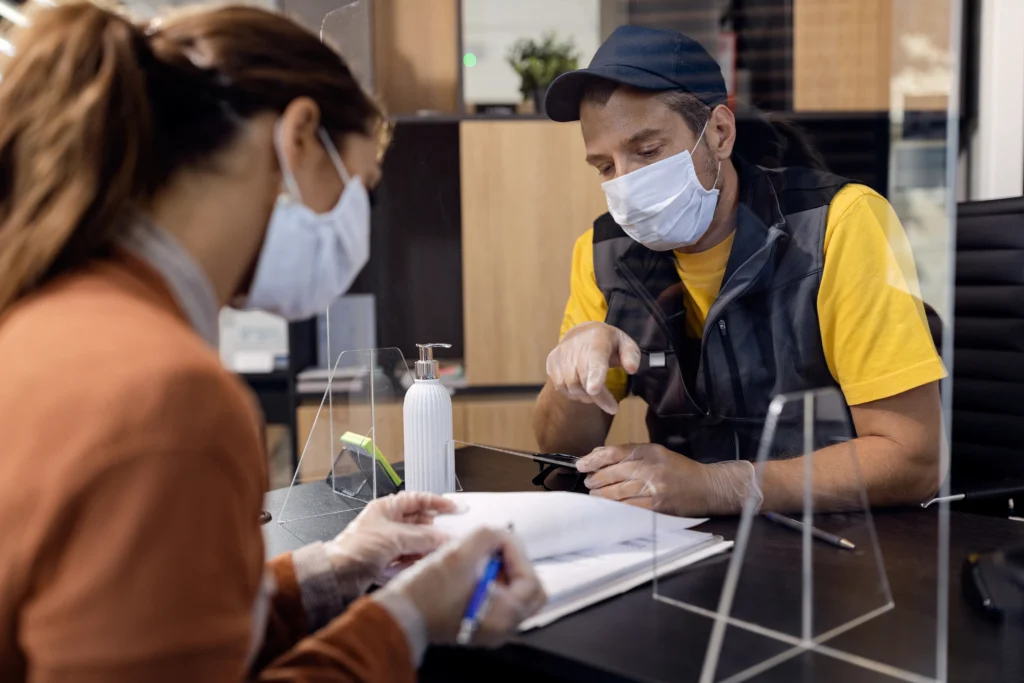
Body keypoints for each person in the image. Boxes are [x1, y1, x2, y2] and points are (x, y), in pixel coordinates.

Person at [0, 3, 544, 682]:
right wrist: (408, 615)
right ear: (299, 135)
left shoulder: (50, 319)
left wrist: (335, 566)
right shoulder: (169, 396)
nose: (359, 233)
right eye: (362, 191)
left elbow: (160, 626)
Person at [533, 26, 946, 517]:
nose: (627, 185)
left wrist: (720, 487)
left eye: (646, 152)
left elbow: (915, 458)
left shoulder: (839, 223)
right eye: (604, 167)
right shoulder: (603, 253)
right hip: (687, 551)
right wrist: (575, 380)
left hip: (840, 551)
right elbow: (560, 447)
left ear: (719, 134)